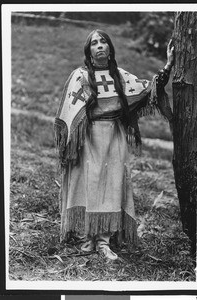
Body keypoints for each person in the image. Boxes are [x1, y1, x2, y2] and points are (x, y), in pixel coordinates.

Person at [54, 29, 174, 260]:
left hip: (114, 136)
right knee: (88, 182)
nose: (99, 46)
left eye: (103, 42)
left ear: (110, 48)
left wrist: (168, 66)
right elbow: (68, 111)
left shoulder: (119, 76)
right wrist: (70, 142)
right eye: (94, 43)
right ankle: (88, 237)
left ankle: (104, 241)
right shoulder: (80, 76)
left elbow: (148, 89)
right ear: (88, 50)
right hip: (88, 138)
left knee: (112, 183)